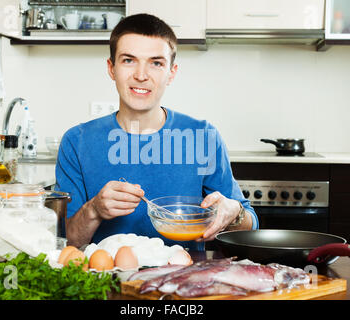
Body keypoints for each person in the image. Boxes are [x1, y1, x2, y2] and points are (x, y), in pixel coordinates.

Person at [55, 13, 258, 251]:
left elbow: (251, 225)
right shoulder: (76, 142)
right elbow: (66, 245)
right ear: (111, 68)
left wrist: (234, 212)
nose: (141, 75)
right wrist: (94, 210)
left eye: (156, 63)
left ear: (171, 72)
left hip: (183, 281)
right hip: (102, 283)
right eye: (129, 60)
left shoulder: (203, 137)